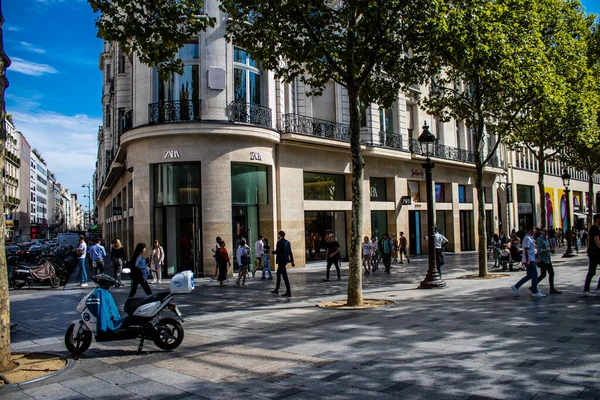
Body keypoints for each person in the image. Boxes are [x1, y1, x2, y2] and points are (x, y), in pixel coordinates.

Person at [511, 226, 545, 298]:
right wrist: (527, 260)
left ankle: (516, 286)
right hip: (530, 259)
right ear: (530, 230)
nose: (535, 231)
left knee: (529, 275)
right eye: (533, 229)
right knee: (534, 275)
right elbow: (526, 250)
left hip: (531, 258)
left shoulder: (530, 238)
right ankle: (535, 291)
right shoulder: (527, 239)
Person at [537, 227, 561, 294]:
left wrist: (551, 249)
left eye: (546, 231)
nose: (546, 232)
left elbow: (548, 247)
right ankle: (533, 285)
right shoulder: (539, 239)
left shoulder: (546, 239)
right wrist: (549, 250)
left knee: (551, 273)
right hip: (542, 259)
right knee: (543, 274)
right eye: (544, 231)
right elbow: (540, 250)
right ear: (541, 232)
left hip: (548, 259)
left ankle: (552, 288)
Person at [272, 230, 295, 297]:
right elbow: (290, 252)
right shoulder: (288, 242)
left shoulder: (279, 242)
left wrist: (272, 252)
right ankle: (277, 289)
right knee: (278, 273)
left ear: (279, 235)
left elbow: (278, 251)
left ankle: (288, 291)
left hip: (281, 261)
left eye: (278, 235)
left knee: (285, 276)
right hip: (285, 261)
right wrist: (292, 261)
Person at [584, 214, 600, 296]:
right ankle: (586, 290)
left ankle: (595, 288)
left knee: (592, 271)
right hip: (595, 253)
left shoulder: (595, 228)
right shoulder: (595, 228)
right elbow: (597, 242)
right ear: (597, 219)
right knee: (591, 271)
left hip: (595, 252)